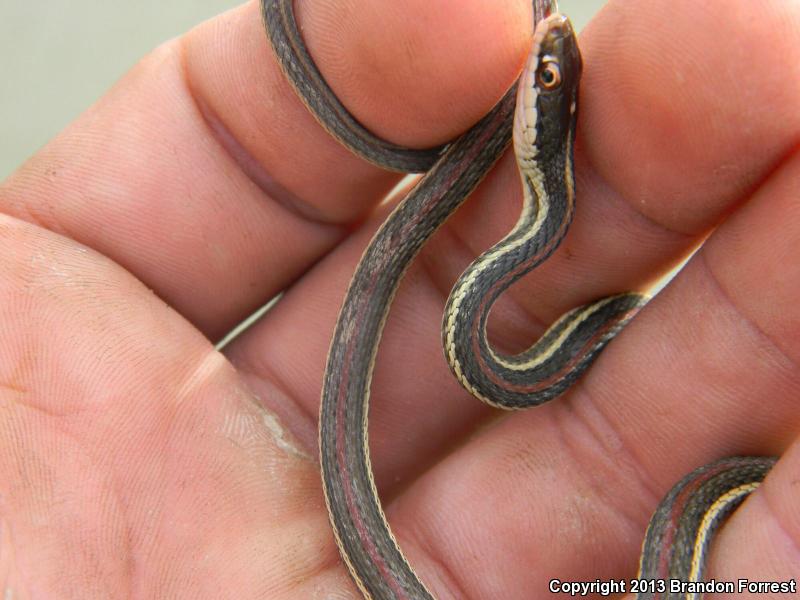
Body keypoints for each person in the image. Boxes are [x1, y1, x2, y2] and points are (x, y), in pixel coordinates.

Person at [0, 0, 796, 596]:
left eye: (545, 78)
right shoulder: (528, 227)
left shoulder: (535, 232)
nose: (540, 68)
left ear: (539, 131)